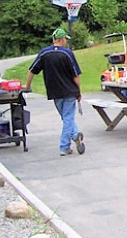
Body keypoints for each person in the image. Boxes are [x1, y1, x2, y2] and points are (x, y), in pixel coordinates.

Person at [25, 28, 85, 157]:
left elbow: (32, 70)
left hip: (54, 92)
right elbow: (75, 75)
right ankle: (65, 147)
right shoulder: (67, 53)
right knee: (67, 117)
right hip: (69, 91)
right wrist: (78, 92)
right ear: (62, 39)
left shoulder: (44, 53)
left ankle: (75, 136)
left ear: (53, 39)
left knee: (66, 118)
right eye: (65, 40)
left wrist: (27, 86)